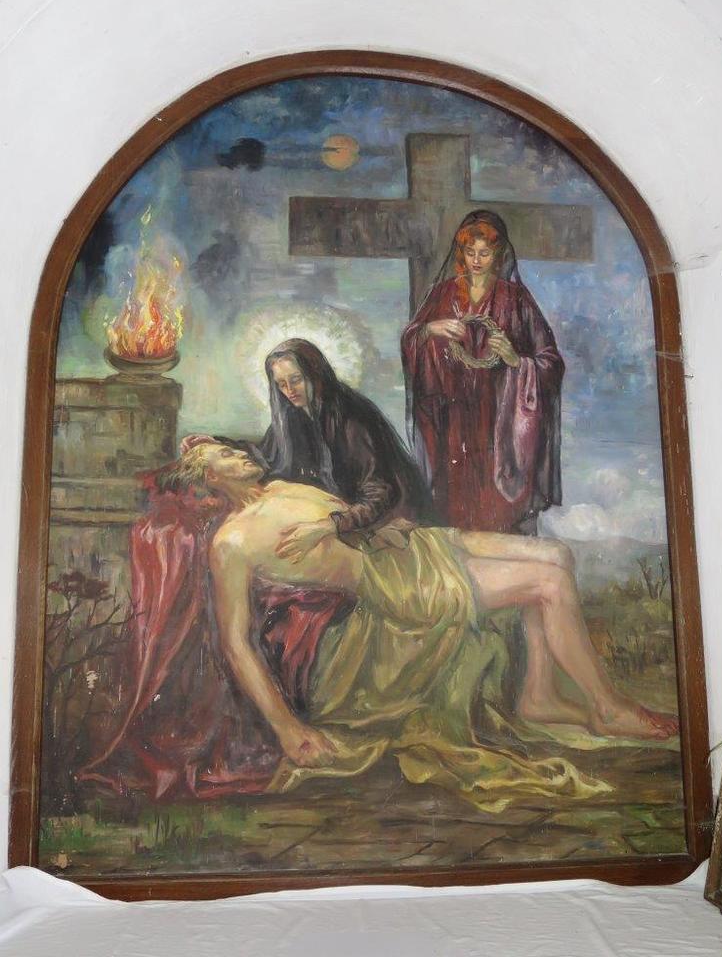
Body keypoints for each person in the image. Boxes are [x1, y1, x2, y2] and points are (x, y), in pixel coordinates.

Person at [191, 442, 676, 786]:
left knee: (556, 554)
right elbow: (235, 642)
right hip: (395, 585)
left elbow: (354, 523)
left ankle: (539, 694)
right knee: (548, 585)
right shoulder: (231, 543)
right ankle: (607, 707)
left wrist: (375, 527)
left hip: (409, 546)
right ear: (210, 478)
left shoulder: (282, 488)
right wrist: (287, 728)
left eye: (233, 449)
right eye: (225, 456)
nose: (240, 455)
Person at [184, 338, 435, 561]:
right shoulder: (292, 416)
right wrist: (217, 443)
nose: (289, 391)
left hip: (384, 522)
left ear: (315, 374)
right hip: (339, 517)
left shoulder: (352, 419)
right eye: (281, 384)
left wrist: (328, 526)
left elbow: (379, 494)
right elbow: (266, 455)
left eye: (296, 380)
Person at [401, 209, 563, 535]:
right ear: (461, 252)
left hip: (500, 418)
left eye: (485, 253)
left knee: (497, 510)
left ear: (498, 254)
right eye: (470, 251)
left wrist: (516, 360)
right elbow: (410, 340)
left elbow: (551, 361)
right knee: (453, 506)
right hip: (452, 419)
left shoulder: (516, 299)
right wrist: (430, 329)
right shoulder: (443, 294)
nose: (476, 260)